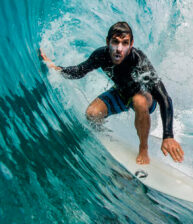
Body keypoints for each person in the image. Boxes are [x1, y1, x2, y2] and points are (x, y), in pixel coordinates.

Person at [40, 21, 184, 165]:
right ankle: (105, 135)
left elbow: (165, 98)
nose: (119, 49)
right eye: (115, 42)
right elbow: (80, 71)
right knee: (92, 114)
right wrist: (55, 67)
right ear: (108, 41)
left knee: (139, 101)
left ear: (131, 44)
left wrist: (168, 136)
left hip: (145, 98)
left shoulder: (139, 61)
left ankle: (143, 148)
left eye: (125, 43)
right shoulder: (101, 55)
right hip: (120, 94)